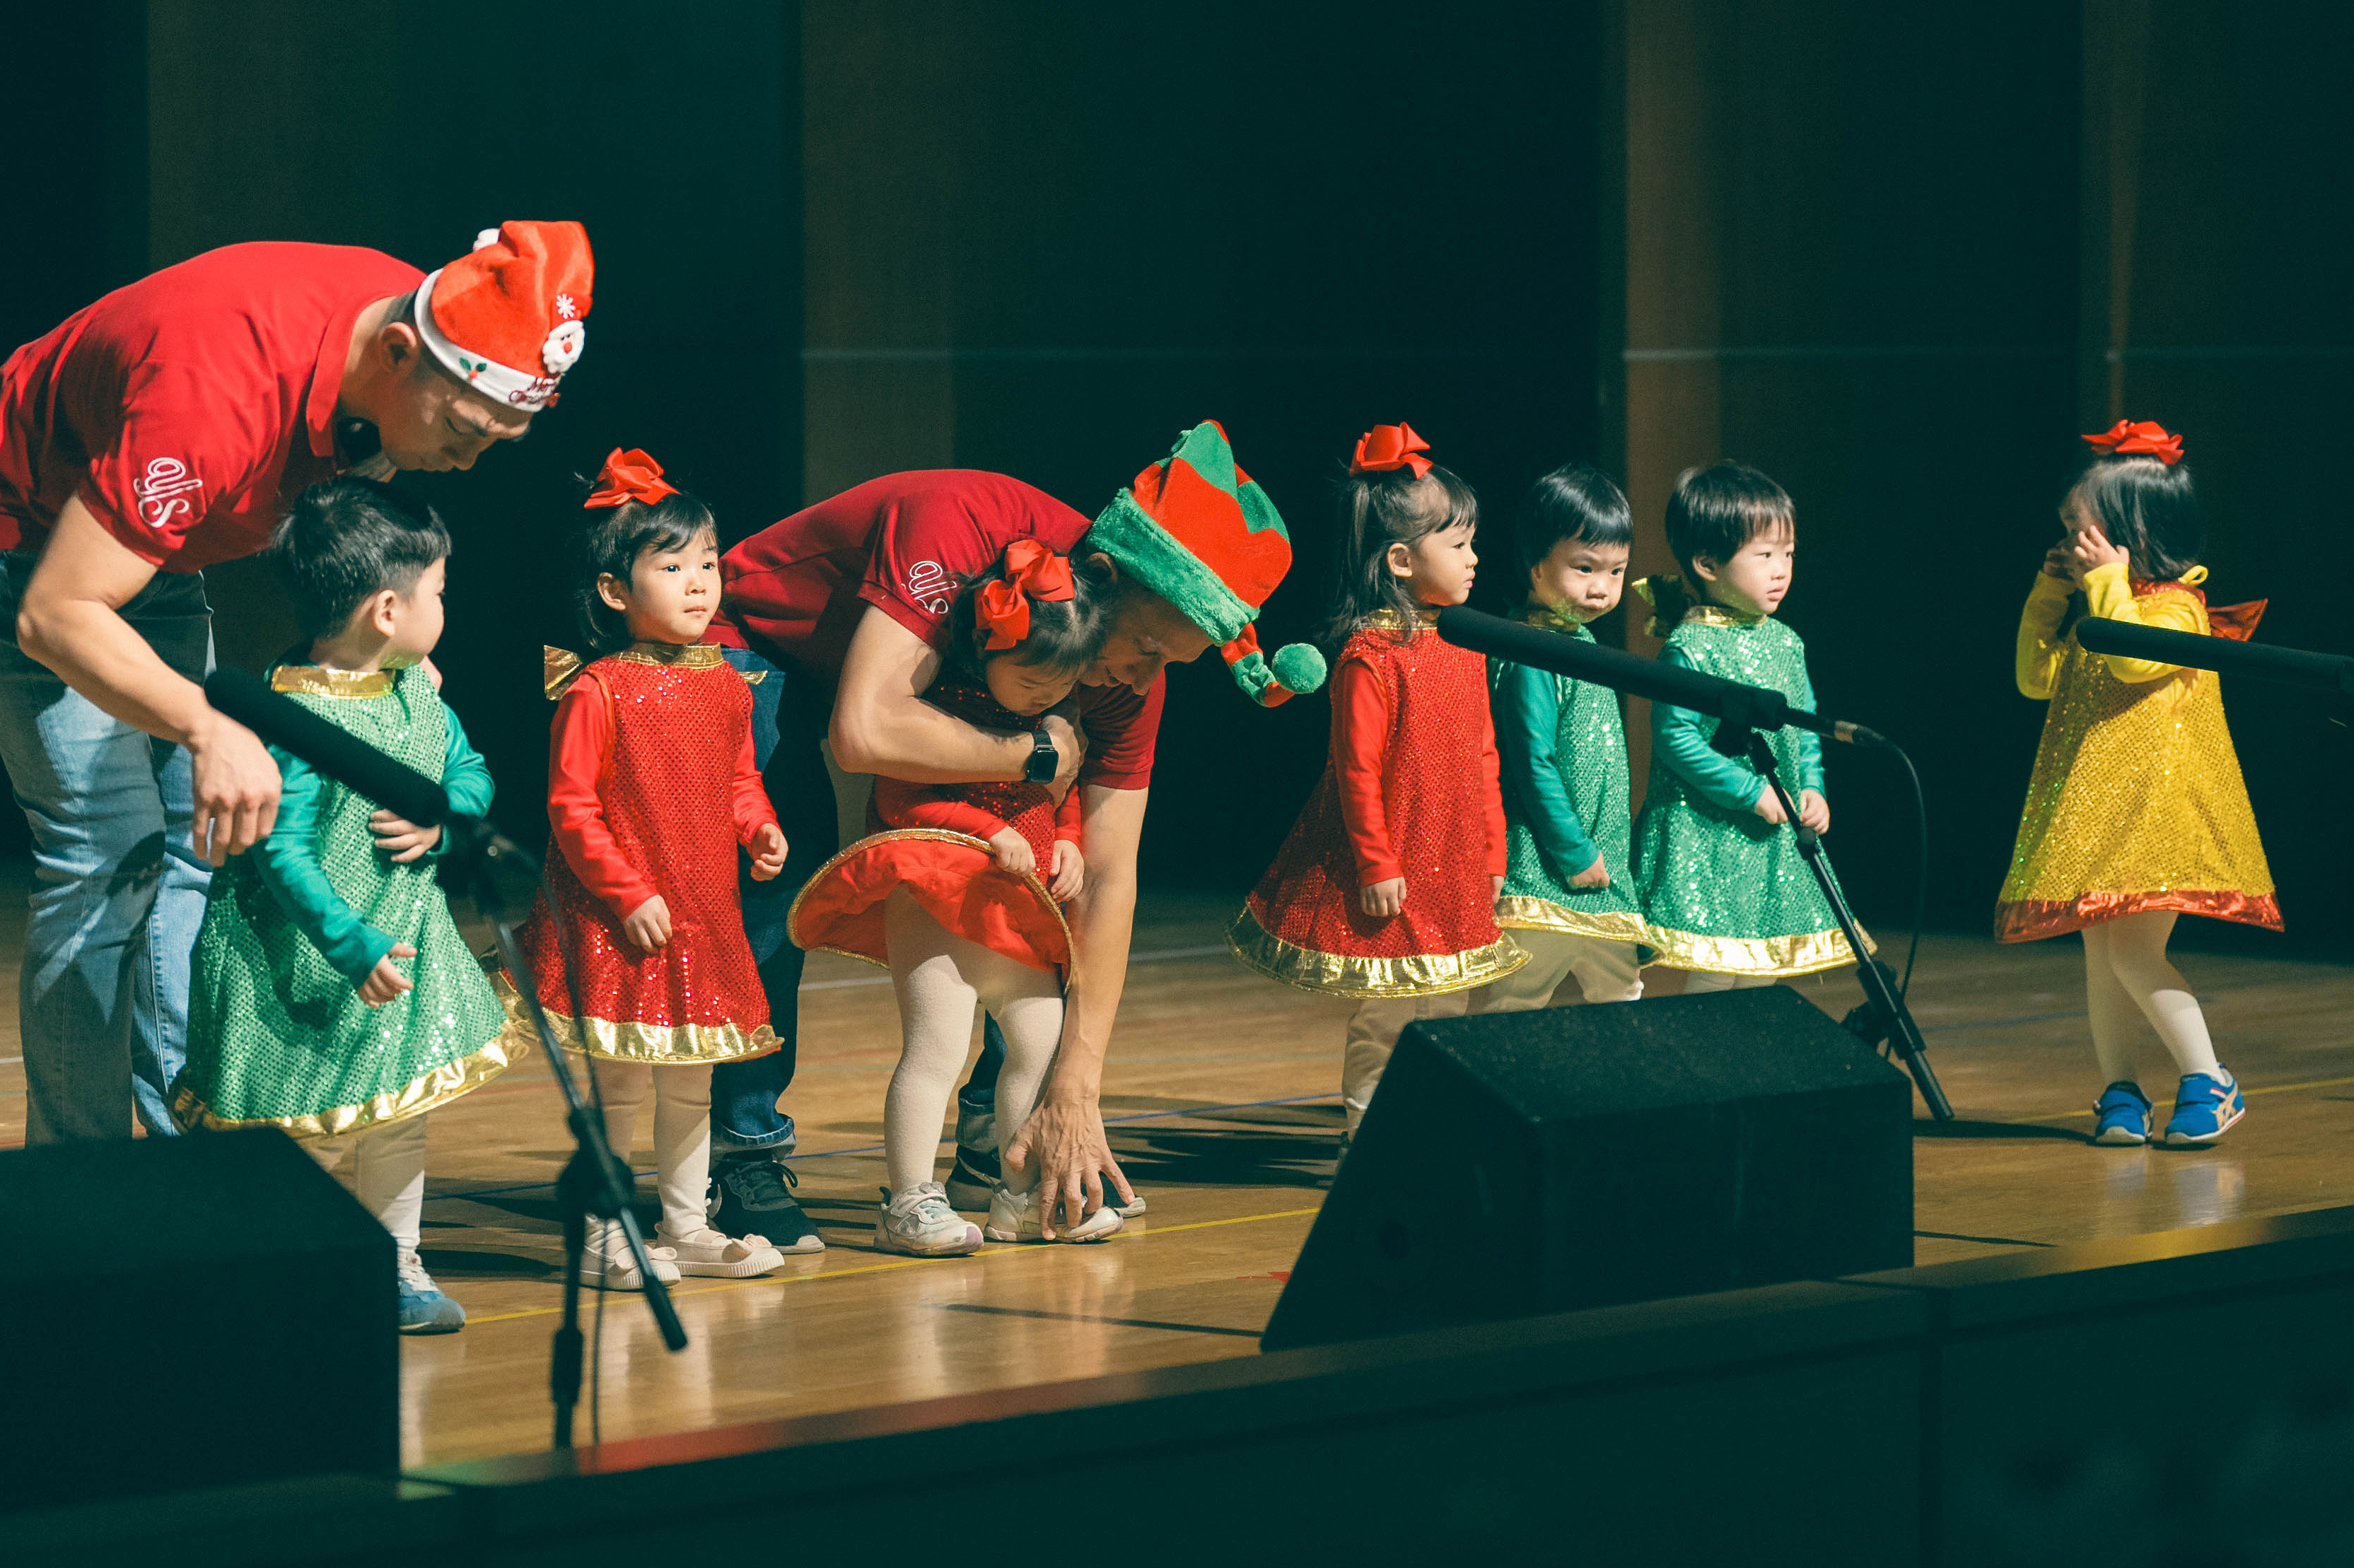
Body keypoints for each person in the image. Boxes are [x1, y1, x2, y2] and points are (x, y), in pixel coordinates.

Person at [0, 221, 593, 1144]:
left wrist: (384, 637)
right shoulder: (213, 399)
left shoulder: (413, 322)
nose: (468, 461)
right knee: (109, 853)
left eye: (496, 441)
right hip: (21, 534)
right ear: (398, 352)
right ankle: (79, 1182)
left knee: (201, 839)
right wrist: (211, 727)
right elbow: (59, 613)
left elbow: (360, 487)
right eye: (465, 431)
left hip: (151, 542)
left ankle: (186, 1149)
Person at [709, 423, 1319, 1246]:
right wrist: (1033, 753)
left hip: (901, 699)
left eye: (1169, 664)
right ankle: (743, 1150)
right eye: (1144, 646)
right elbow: (864, 731)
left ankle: (1000, 1150)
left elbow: (1109, 877)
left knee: (1046, 892)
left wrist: (1078, 1089)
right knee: (777, 863)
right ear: (1101, 578)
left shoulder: (1128, 678)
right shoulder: (959, 523)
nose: (1143, 679)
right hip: (752, 644)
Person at [170, 479, 508, 1335]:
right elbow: (280, 852)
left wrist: (442, 818)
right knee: (309, 1130)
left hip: (406, 951)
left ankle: (395, 1264)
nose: (446, 607)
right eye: (438, 591)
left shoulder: (415, 689)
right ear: (387, 611)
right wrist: (350, 944)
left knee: (398, 1117)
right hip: (308, 963)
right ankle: (269, 1263)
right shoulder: (294, 717)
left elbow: (469, 771)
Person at [499, 447, 789, 1285]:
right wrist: (625, 893)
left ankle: (687, 1226)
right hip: (620, 919)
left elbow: (738, 782)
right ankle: (605, 1229)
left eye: (708, 563)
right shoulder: (598, 688)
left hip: (701, 913)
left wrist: (759, 829)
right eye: (672, 567)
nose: (698, 583)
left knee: (692, 1083)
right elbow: (571, 808)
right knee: (619, 1084)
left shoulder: (727, 684)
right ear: (613, 590)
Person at [788, 538, 1124, 1252]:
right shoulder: (934, 710)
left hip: (1019, 909)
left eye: (1059, 687)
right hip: (937, 898)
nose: (1045, 698)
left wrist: (1067, 838)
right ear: (984, 648)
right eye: (1030, 682)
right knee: (935, 1048)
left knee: (1036, 1047)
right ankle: (909, 1202)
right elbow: (901, 797)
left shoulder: (1048, 721)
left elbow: (1061, 790)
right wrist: (985, 829)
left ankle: (1021, 1195)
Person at [1228, 422, 1520, 1137]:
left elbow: (1485, 756)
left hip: (1455, 860)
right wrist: (1377, 862)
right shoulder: (1371, 657)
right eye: (1459, 544)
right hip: (1400, 862)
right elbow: (1354, 771)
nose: (1475, 559)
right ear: (1400, 559)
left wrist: (1493, 850)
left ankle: (1430, 1132)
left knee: (1450, 1005)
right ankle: (1365, 1137)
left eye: (1473, 543)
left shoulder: (1466, 645)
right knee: (1388, 1012)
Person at [1995, 420, 2279, 1149]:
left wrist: (2102, 584)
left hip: (2159, 815)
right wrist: (2049, 592)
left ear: (2131, 533)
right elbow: (2034, 678)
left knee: (2130, 954)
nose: (2069, 541)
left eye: (2080, 530)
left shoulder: (2176, 608)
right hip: (2101, 812)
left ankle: (2209, 1077)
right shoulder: (2102, 607)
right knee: (2101, 955)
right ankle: (2120, 1088)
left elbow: (2132, 662)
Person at [1630, 462, 1851, 992]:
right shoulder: (1692, 645)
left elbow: (1802, 727)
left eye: (1788, 554)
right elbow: (1676, 738)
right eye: (1765, 556)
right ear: (1707, 563)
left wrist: (1812, 787)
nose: (1781, 570)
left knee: (1760, 972)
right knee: (1715, 976)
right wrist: (1751, 791)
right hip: (1708, 833)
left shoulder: (1786, 641)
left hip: (1769, 833)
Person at [1474, 461, 1658, 1017]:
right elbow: (1533, 762)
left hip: (1600, 871)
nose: (1602, 588)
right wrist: (1575, 851)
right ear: (1535, 564)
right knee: (1520, 996)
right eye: (1584, 567)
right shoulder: (1532, 651)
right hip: (1549, 870)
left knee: (1622, 992)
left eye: (1616, 570)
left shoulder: (1578, 642)